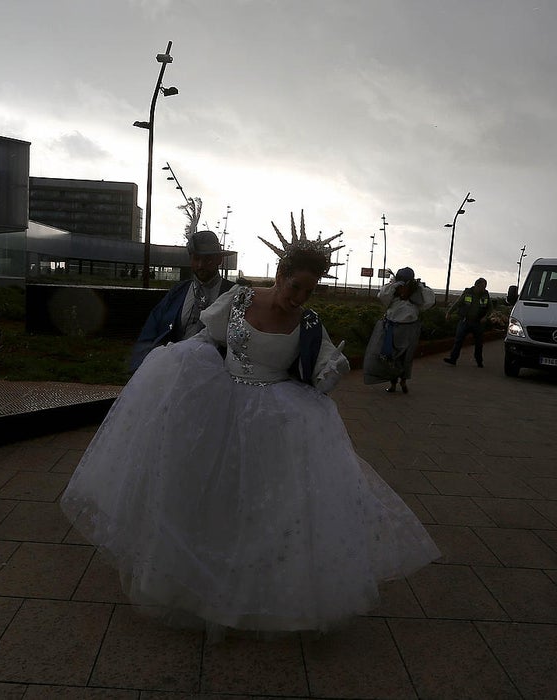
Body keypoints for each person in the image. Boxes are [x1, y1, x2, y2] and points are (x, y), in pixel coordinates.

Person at [61, 212, 440, 638]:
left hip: (274, 417)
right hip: (220, 404)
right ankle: (192, 581)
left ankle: (252, 591)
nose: (299, 297)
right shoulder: (240, 299)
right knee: (208, 493)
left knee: (259, 505)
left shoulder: (310, 324)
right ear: (279, 274)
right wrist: (176, 364)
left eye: (309, 291)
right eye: (295, 286)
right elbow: (209, 338)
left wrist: (331, 371)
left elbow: (320, 370)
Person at [128, 230, 235, 372]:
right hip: (173, 368)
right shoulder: (178, 291)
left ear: (219, 260)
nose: (200, 265)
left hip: (216, 373)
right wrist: (141, 364)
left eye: (207, 259)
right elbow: (151, 327)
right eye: (196, 259)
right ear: (190, 259)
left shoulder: (234, 294)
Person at [363, 267, 436, 393]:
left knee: (405, 357)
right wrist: (395, 286)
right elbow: (383, 296)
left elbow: (428, 302)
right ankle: (393, 383)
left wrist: (418, 287)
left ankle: (403, 381)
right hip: (392, 327)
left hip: (409, 328)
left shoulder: (418, 292)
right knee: (391, 356)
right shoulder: (392, 290)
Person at [443, 277, 493, 368]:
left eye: (485, 286)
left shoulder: (485, 294)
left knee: (479, 343)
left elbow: (490, 308)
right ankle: (453, 359)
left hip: (478, 323)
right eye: (482, 286)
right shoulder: (467, 293)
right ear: (476, 285)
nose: (484, 288)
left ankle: (479, 361)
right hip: (465, 321)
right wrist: (449, 313)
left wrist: (485, 317)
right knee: (458, 340)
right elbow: (458, 303)